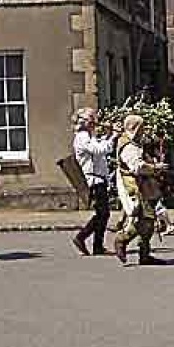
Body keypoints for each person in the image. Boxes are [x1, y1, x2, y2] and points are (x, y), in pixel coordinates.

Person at [114, 115, 166, 265]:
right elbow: (137, 167)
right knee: (144, 220)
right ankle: (122, 239)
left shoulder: (134, 143)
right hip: (135, 187)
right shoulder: (128, 146)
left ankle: (145, 253)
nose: (143, 131)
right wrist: (156, 168)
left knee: (148, 220)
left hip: (144, 186)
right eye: (141, 128)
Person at [71, 108, 118, 256]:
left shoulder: (89, 135)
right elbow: (99, 150)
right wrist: (114, 136)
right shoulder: (82, 136)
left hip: (99, 178)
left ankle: (98, 245)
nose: (95, 120)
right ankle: (82, 237)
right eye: (92, 117)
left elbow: (100, 144)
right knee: (102, 213)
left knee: (103, 213)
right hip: (93, 179)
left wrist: (109, 134)